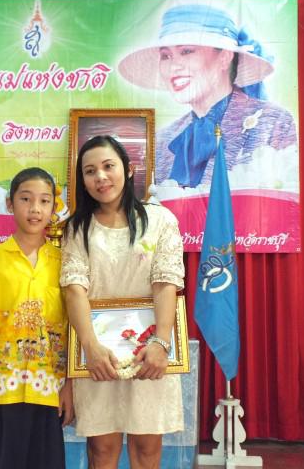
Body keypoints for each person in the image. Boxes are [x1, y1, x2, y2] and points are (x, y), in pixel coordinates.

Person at [60, 135, 185, 468]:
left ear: (129, 170)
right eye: (90, 171)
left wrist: (161, 342)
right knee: (101, 450)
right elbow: (74, 289)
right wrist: (90, 347)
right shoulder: (77, 229)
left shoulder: (160, 220)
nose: (100, 177)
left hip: (150, 352)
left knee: (147, 448)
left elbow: (166, 282)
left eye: (108, 166)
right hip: (97, 354)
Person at [0, 167, 73, 469]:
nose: (35, 209)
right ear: (10, 204)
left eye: (45, 201)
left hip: (48, 390)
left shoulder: (65, 263)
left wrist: (69, 387)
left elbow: (73, 330)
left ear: (54, 207)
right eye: (25, 199)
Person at [118, 4, 298, 188]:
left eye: (186, 51)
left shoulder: (272, 121)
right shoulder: (163, 140)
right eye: (166, 56)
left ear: (224, 57)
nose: (173, 67)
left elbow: (282, 197)